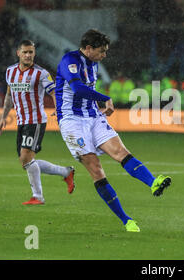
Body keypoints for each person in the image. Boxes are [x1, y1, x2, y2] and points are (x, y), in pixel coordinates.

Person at [55, 29, 171, 233]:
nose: (104, 55)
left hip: (92, 115)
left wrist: (99, 104)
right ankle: (127, 220)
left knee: (120, 152)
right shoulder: (69, 61)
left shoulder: (94, 63)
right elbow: (78, 89)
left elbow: (87, 93)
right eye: (102, 51)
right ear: (88, 48)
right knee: (96, 169)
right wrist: (104, 98)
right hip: (72, 122)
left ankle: (153, 183)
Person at [0, 40, 75, 205]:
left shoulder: (41, 73)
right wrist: (3, 116)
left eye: (31, 52)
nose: (28, 55)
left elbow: (54, 92)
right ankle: (65, 172)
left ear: (34, 53)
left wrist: (59, 109)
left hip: (36, 120)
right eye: (25, 52)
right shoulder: (10, 71)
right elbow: (9, 95)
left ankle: (38, 197)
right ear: (18, 53)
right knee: (25, 161)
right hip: (21, 121)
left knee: (26, 158)